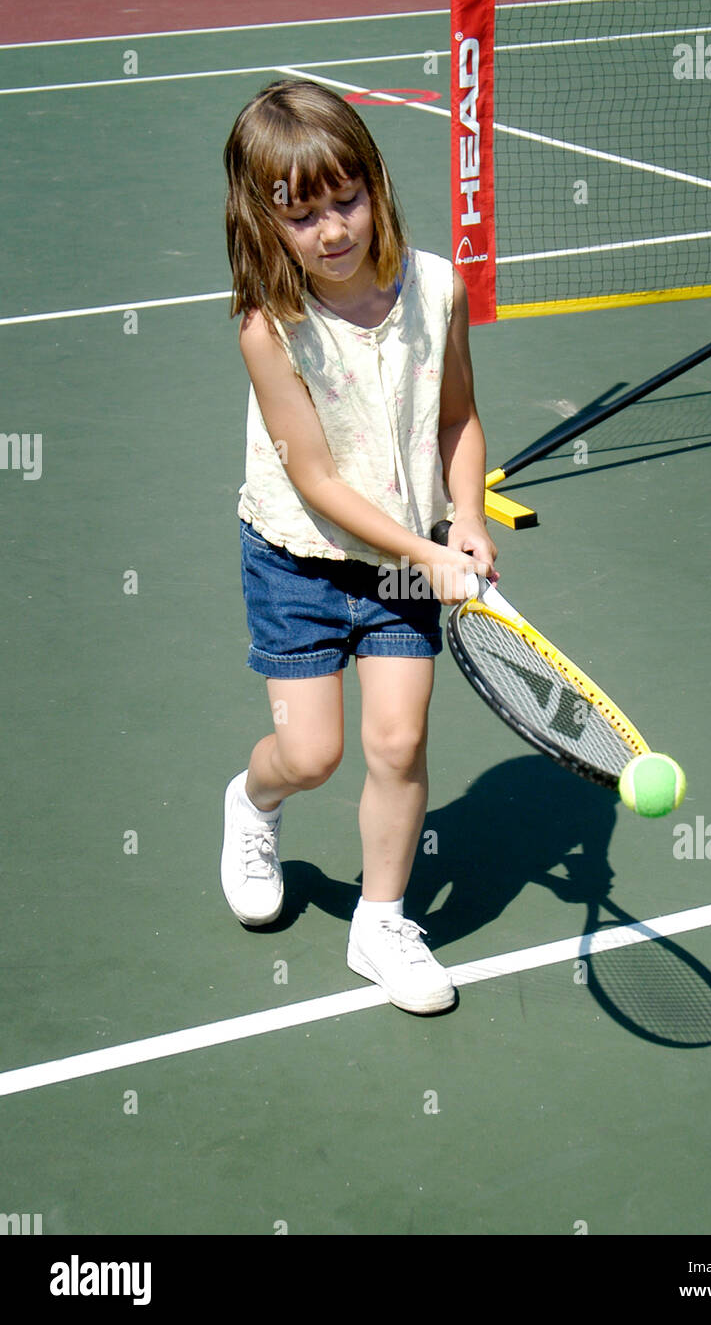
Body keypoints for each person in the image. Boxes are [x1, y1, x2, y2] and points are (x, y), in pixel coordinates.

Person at [220, 78, 497, 1014]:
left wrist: (465, 518)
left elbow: (458, 417)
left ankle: (380, 922)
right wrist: (427, 557)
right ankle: (254, 807)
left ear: (375, 183)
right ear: (264, 223)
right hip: (298, 557)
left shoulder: (437, 287)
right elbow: (317, 483)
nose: (333, 229)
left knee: (399, 739)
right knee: (312, 756)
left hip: (403, 566)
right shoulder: (270, 330)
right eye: (302, 215)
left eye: (347, 199)